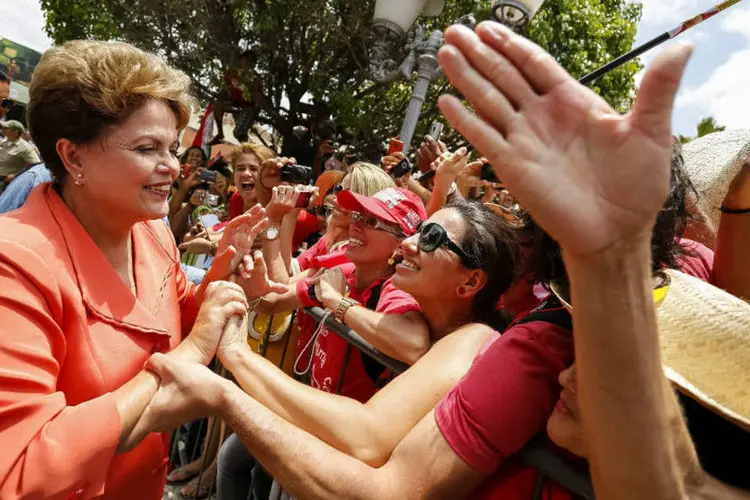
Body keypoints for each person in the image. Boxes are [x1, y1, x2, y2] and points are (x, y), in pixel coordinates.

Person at [0, 40, 277, 500]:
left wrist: (225, 271)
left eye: (172, 147)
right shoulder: (14, 261)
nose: (172, 166)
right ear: (73, 157)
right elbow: (21, 469)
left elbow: (171, 319)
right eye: (148, 148)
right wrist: (186, 358)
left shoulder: (152, 233)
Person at [214, 198, 521, 499]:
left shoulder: (476, 340)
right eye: (418, 230)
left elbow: (366, 435)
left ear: (470, 283)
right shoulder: (421, 319)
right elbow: (274, 295)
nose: (408, 243)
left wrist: (235, 356)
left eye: (431, 237)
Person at [0, 119, 41, 191]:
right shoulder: (3, 142)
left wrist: (17, 176)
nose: (2, 129)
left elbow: (36, 164)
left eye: (6, 128)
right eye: (2, 127)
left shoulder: (25, 147)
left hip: (6, 182)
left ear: (16, 131)